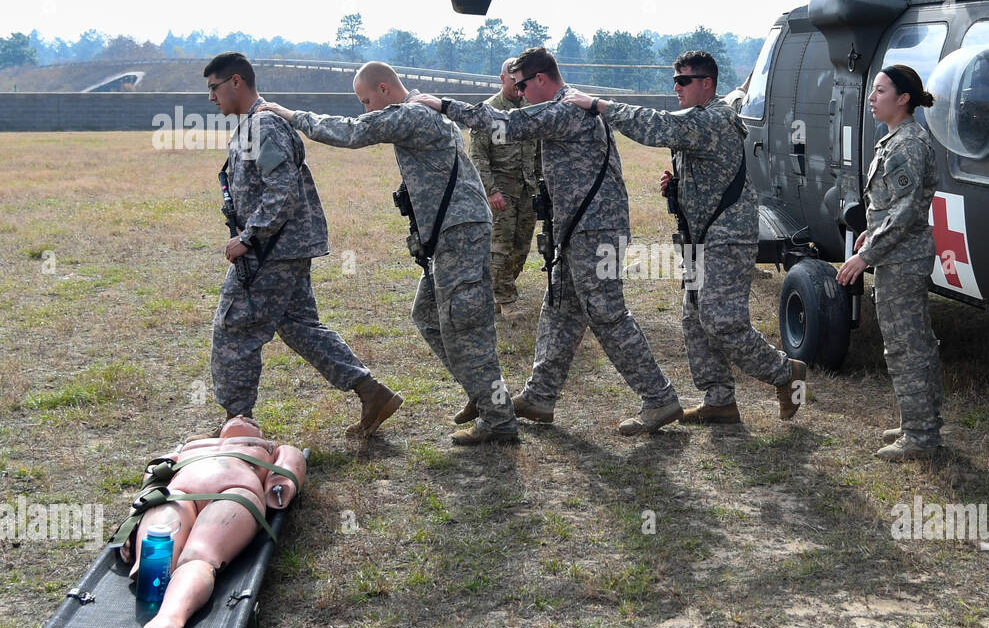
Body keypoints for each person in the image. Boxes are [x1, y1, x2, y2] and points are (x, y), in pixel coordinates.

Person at [414, 47, 682, 435]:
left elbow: (504, 124)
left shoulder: (566, 109)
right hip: (578, 230)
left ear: (541, 79)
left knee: (607, 315)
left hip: (595, 232)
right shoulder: (568, 105)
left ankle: (659, 398)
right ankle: (540, 396)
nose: (520, 93)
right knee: (559, 311)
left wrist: (443, 105)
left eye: (522, 85)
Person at [259, 62, 517, 445]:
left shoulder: (412, 114)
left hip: (458, 233)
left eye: (367, 100)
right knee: (428, 314)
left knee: (467, 324)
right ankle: (482, 393)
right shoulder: (422, 112)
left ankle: (498, 418)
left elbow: (352, 132)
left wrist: (289, 114)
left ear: (384, 89)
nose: (367, 109)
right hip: (449, 233)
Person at [564, 51, 807, 424]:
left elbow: (655, 127)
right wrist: (679, 185)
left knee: (722, 320)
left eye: (683, 81)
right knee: (694, 318)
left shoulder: (712, 119)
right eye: (674, 80)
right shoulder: (701, 118)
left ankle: (785, 373)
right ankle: (719, 399)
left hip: (726, 238)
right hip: (700, 236)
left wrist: (598, 104)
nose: (675, 88)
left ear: (706, 83)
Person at [204, 52, 401, 438]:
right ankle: (371, 392)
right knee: (299, 327)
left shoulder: (263, 125)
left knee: (234, 328)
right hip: (283, 248)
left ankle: (236, 422)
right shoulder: (253, 125)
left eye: (214, 87)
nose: (211, 97)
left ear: (237, 82)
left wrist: (248, 237)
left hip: (271, 251)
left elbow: (282, 190)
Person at [118, 416, 307, 628]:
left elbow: (292, 462)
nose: (243, 417)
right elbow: (155, 472)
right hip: (177, 495)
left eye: (251, 420)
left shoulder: (269, 447)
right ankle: (148, 570)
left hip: (234, 492)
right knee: (157, 541)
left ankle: (171, 615)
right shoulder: (191, 446)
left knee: (199, 555)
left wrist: (280, 485)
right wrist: (136, 512)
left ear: (260, 433)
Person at [835, 64, 943, 460]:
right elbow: (891, 208)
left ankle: (920, 436)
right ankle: (920, 421)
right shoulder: (896, 139)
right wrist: (871, 230)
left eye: (880, 91)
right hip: (898, 253)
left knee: (905, 347)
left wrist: (866, 255)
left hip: (901, 259)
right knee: (915, 343)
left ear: (903, 99)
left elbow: (907, 211)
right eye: (873, 90)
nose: (872, 97)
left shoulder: (907, 145)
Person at [471, 58, 543, 317]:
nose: (516, 84)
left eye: (519, 80)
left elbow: (540, 151)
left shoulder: (531, 109)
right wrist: (491, 190)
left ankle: (496, 291)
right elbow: (478, 156)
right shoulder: (488, 112)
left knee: (521, 245)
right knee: (499, 246)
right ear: (501, 79)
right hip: (501, 190)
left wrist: (541, 186)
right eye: (511, 79)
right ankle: (506, 299)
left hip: (528, 190)